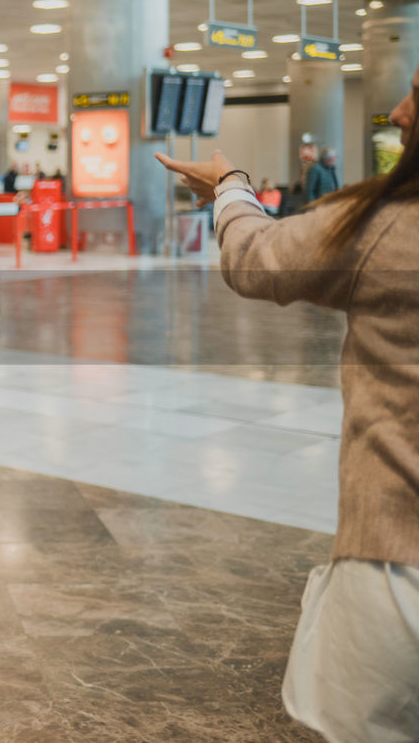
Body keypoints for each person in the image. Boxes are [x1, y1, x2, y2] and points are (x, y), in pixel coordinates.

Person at [154, 59, 419, 743]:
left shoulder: (393, 228)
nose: (397, 114)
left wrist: (230, 185)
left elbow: (258, 257)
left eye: (415, 94)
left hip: (397, 560)